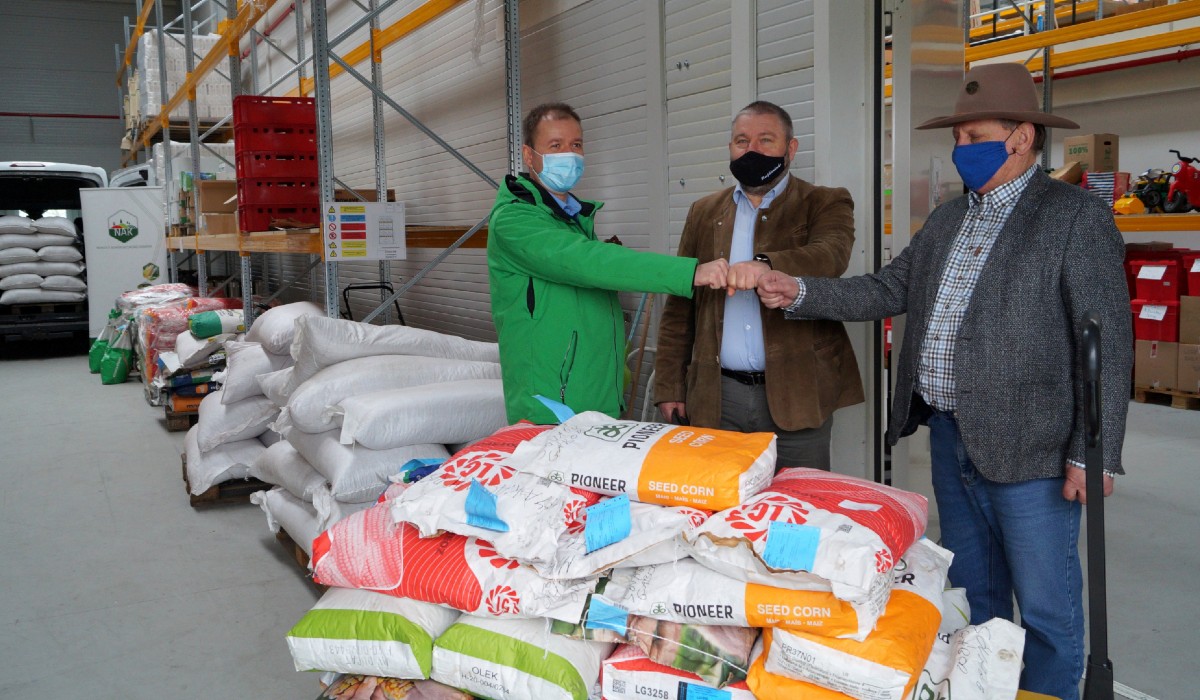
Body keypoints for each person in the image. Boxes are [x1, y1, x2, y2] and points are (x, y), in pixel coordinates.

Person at [754, 63, 1131, 700]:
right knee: (975, 597)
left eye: (975, 136)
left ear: (1021, 138)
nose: (961, 149)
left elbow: (1108, 345)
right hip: (953, 440)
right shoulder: (950, 219)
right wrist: (799, 291)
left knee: (1048, 611)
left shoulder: (1073, 218)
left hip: (1034, 450)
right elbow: (888, 288)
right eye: (957, 138)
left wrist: (1094, 454)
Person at [653, 100, 863, 470]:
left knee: (798, 499)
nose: (752, 150)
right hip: (718, 396)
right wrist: (670, 386)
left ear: (790, 148)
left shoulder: (823, 202)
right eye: (741, 141)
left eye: (766, 140)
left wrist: (766, 265)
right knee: (718, 496)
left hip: (799, 393)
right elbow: (680, 306)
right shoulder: (704, 212)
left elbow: (831, 255)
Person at [488, 102, 729, 425]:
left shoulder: (573, 219)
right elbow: (586, 262)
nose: (569, 155)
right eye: (555, 146)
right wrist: (690, 272)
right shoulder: (514, 221)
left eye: (576, 145)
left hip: (595, 400)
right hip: (550, 407)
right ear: (529, 156)